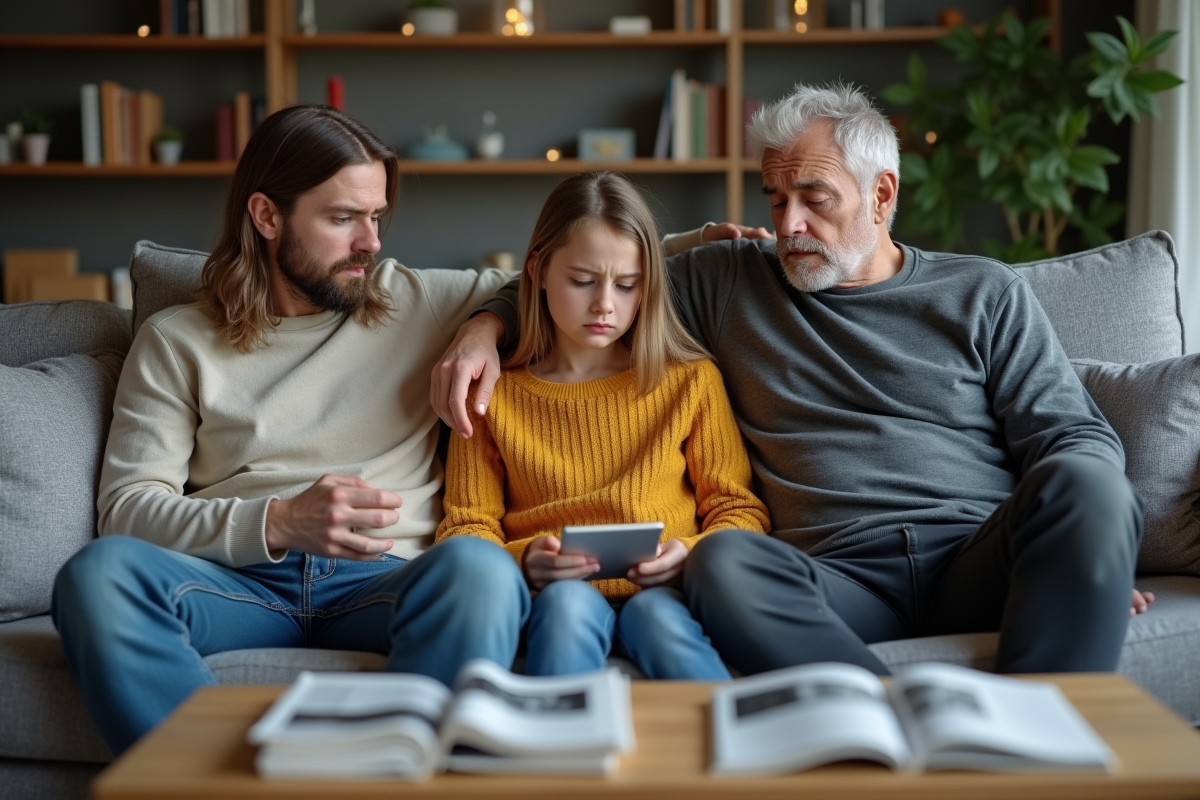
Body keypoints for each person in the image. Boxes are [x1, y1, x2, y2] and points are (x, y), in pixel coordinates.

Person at [432, 82, 1148, 678]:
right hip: (836, 575)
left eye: (814, 196)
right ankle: (877, 713)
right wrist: (484, 327)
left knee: (1088, 482)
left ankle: (1044, 728)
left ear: (881, 193)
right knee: (726, 558)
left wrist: (1089, 559)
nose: (788, 223)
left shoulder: (982, 292)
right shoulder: (728, 281)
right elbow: (590, 284)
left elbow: (1072, 434)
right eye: (775, 198)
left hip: (975, 553)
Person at [51, 105, 530, 757]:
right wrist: (278, 521)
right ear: (268, 216)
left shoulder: (414, 299)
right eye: (342, 219)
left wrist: (485, 327)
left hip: (383, 581)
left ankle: (393, 768)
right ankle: (204, 785)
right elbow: (128, 510)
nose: (372, 243)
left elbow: (566, 277)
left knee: (479, 569)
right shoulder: (178, 341)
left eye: (376, 217)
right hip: (235, 582)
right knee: (97, 575)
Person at [434, 172, 770, 679]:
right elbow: (465, 526)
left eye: (628, 285)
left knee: (660, 622)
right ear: (538, 271)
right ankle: (559, 750)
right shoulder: (493, 394)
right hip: (554, 596)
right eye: (583, 281)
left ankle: (736, 748)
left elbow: (738, 509)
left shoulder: (690, 381)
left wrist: (689, 555)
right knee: (567, 610)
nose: (605, 305)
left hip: (664, 593)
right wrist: (525, 561)